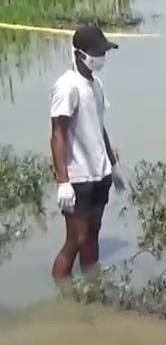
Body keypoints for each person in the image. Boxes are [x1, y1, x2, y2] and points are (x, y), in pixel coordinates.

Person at [49, 25, 124, 283]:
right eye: (97, 52)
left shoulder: (96, 84)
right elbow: (58, 134)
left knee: (93, 233)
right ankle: (62, 292)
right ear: (80, 54)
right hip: (78, 177)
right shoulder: (67, 86)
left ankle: (92, 285)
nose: (101, 57)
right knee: (75, 240)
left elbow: (98, 126)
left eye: (103, 52)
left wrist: (112, 166)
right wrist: (63, 182)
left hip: (99, 173)